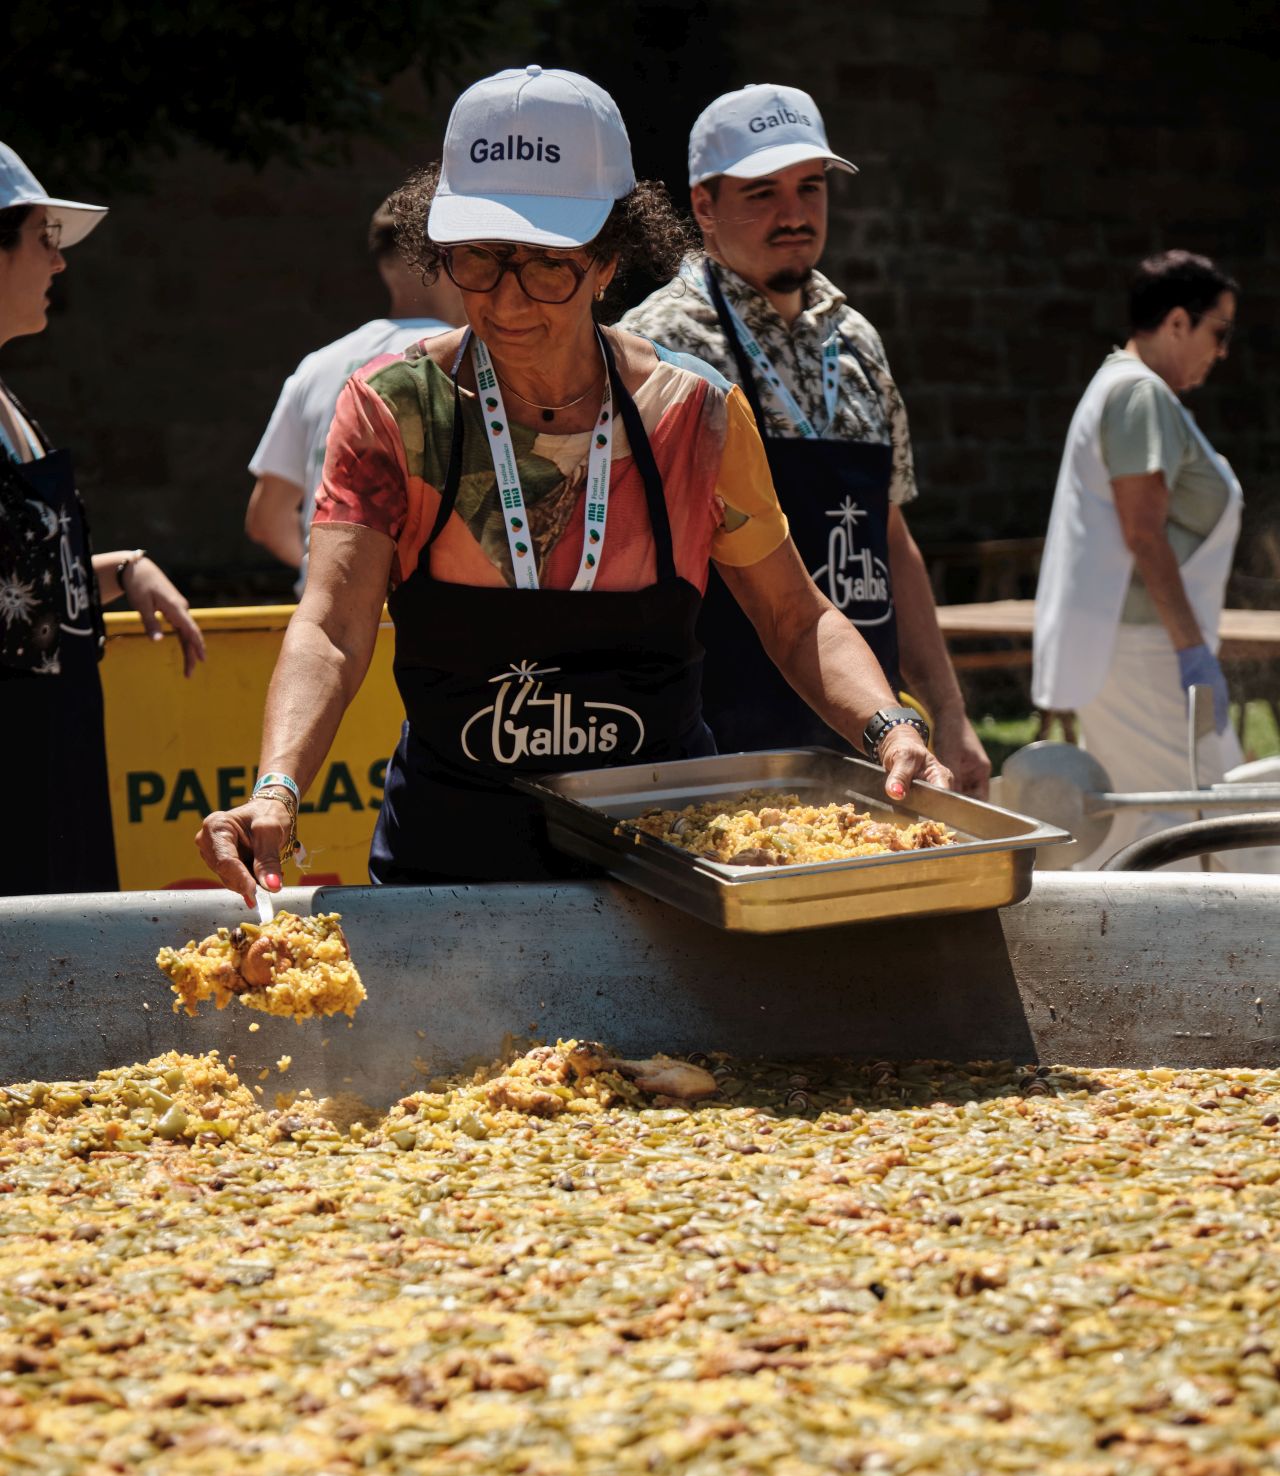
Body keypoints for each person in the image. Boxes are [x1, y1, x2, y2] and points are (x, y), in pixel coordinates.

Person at [197, 66, 952, 904]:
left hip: (663, 866)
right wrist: (277, 786)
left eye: (546, 265)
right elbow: (334, 626)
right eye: (479, 260)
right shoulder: (391, 411)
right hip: (451, 861)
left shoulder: (693, 413)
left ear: (608, 260)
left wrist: (891, 729)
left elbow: (793, 613)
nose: (507, 299)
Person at [621, 84, 990, 797]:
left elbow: (890, 535)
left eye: (810, 187)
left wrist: (948, 710)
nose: (793, 214)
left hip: (877, 750)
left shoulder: (856, 340)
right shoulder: (656, 344)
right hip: (719, 749)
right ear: (703, 206)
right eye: (762, 193)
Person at [0, 142, 204, 896]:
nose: (58, 264)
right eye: (43, 240)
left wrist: (117, 571)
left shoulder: (8, 399)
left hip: (57, 770)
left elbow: (16, 590)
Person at [1033, 250, 1264, 869]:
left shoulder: (1127, 387)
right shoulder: (1138, 392)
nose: (1221, 352)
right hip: (1145, 647)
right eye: (1219, 332)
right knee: (1197, 815)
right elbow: (1144, 533)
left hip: (1140, 642)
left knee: (1170, 810)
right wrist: (1190, 649)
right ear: (1178, 323)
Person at [246, 195, 467, 593]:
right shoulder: (472, 362)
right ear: (454, 261)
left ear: (385, 266)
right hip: (430, 622)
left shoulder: (317, 365)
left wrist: (333, 571)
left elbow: (267, 518)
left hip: (324, 624)